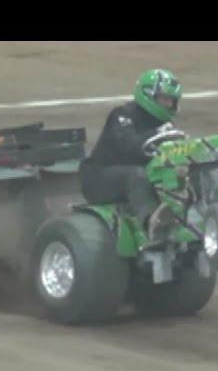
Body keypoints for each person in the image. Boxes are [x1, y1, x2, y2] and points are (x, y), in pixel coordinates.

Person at [79, 69, 184, 242]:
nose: (168, 105)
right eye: (164, 99)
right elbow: (129, 146)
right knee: (136, 175)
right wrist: (156, 134)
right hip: (97, 177)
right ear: (148, 95)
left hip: (130, 175)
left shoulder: (164, 124)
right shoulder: (122, 115)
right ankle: (151, 223)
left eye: (171, 101)